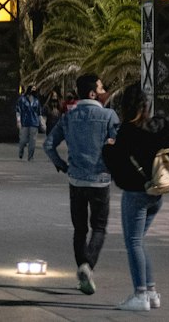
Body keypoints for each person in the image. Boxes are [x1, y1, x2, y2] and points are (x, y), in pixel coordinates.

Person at [44, 71, 119, 295]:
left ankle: (81, 271)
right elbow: (119, 145)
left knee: (79, 229)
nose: (105, 91)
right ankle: (88, 265)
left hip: (75, 180)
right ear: (92, 93)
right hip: (101, 180)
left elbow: (48, 145)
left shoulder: (69, 117)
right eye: (102, 88)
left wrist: (62, 164)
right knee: (99, 227)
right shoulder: (109, 116)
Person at [104, 83, 169, 313]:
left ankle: (140, 294)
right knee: (139, 243)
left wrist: (108, 148)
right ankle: (151, 292)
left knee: (133, 243)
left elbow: (117, 163)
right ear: (146, 105)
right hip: (157, 193)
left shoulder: (127, 131)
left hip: (136, 194)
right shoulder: (157, 128)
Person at [16, 86, 43, 161]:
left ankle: (30, 156)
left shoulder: (36, 101)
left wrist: (41, 122)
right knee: (23, 140)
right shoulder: (22, 100)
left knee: (33, 140)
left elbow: (39, 112)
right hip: (24, 122)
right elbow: (18, 110)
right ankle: (21, 151)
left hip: (34, 122)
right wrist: (18, 120)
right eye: (32, 89)